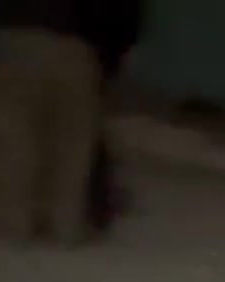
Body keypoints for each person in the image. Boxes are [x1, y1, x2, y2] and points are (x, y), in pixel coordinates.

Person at [0, 0, 103, 246]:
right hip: (75, 41)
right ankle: (64, 224)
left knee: (17, 132)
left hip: (16, 36)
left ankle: (15, 222)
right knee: (72, 141)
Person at [85, 0, 145, 235]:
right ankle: (97, 200)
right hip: (101, 56)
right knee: (90, 130)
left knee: (83, 131)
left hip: (85, 52)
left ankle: (94, 198)